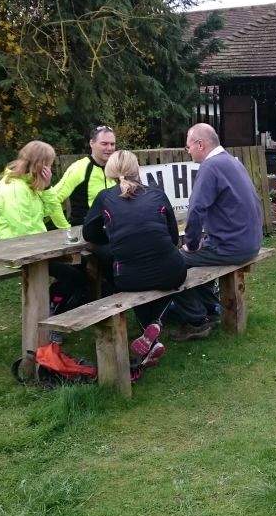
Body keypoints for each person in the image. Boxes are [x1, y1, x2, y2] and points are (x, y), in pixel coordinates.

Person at [82, 151, 186, 367]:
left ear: (109, 171)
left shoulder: (104, 197)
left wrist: (113, 236)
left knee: (130, 277)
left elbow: (89, 234)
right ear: (137, 169)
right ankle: (156, 323)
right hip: (172, 271)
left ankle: (152, 332)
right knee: (163, 275)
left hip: (129, 279)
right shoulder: (157, 194)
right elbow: (173, 237)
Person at [173, 123, 264, 341]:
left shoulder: (210, 167)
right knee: (198, 257)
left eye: (188, 147)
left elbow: (196, 209)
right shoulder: (232, 162)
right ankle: (210, 307)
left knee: (174, 261)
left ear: (200, 144)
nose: (188, 151)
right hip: (250, 241)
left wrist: (192, 244)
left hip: (232, 247)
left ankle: (196, 320)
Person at [0, 140, 86, 314]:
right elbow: (24, 230)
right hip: (19, 250)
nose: (50, 169)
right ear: (40, 165)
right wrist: (55, 248)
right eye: (48, 164)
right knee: (73, 275)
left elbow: (52, 209)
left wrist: (48, 186)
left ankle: (57, 309)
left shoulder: (31, 183)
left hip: (36, 247)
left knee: (82, 265)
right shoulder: (14, 189)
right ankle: (51, 314)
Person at [51, 125, 118, 225]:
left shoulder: (114, 167)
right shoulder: (79, 168)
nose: (109, 148)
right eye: (104, 144)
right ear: (92, 143)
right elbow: (53, 200)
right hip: (86, 233)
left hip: (112, 229)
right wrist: (65, 228)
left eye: (112, 144)